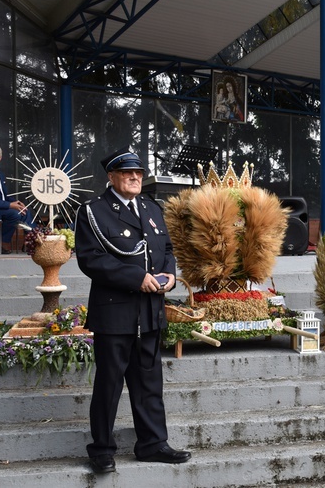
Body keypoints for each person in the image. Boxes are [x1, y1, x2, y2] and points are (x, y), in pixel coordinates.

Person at [74, 148, 190, 474]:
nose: (136, 177)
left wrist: (168, 275)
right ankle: (101, 450)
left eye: (139, 172)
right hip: (115, 313)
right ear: (111, 176)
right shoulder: (94, 211)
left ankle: (153, 444)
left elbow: (166, 249)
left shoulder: (152, 209)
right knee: (109, 385)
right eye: (128, 173)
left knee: (150, 384)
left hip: (150, 311)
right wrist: (138, 278)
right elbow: (92, 259)